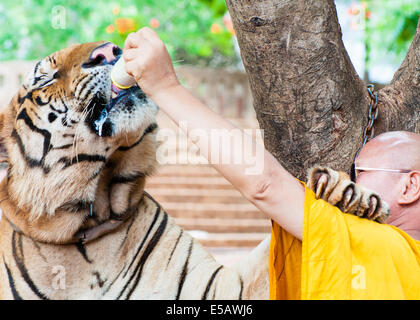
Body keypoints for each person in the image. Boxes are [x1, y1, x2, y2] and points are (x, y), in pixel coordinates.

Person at [122, 27, 420, 299]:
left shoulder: (380, 246)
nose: (349, 180)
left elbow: (265, 185)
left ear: (410, 186)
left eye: (361, 172)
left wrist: (166, 87)